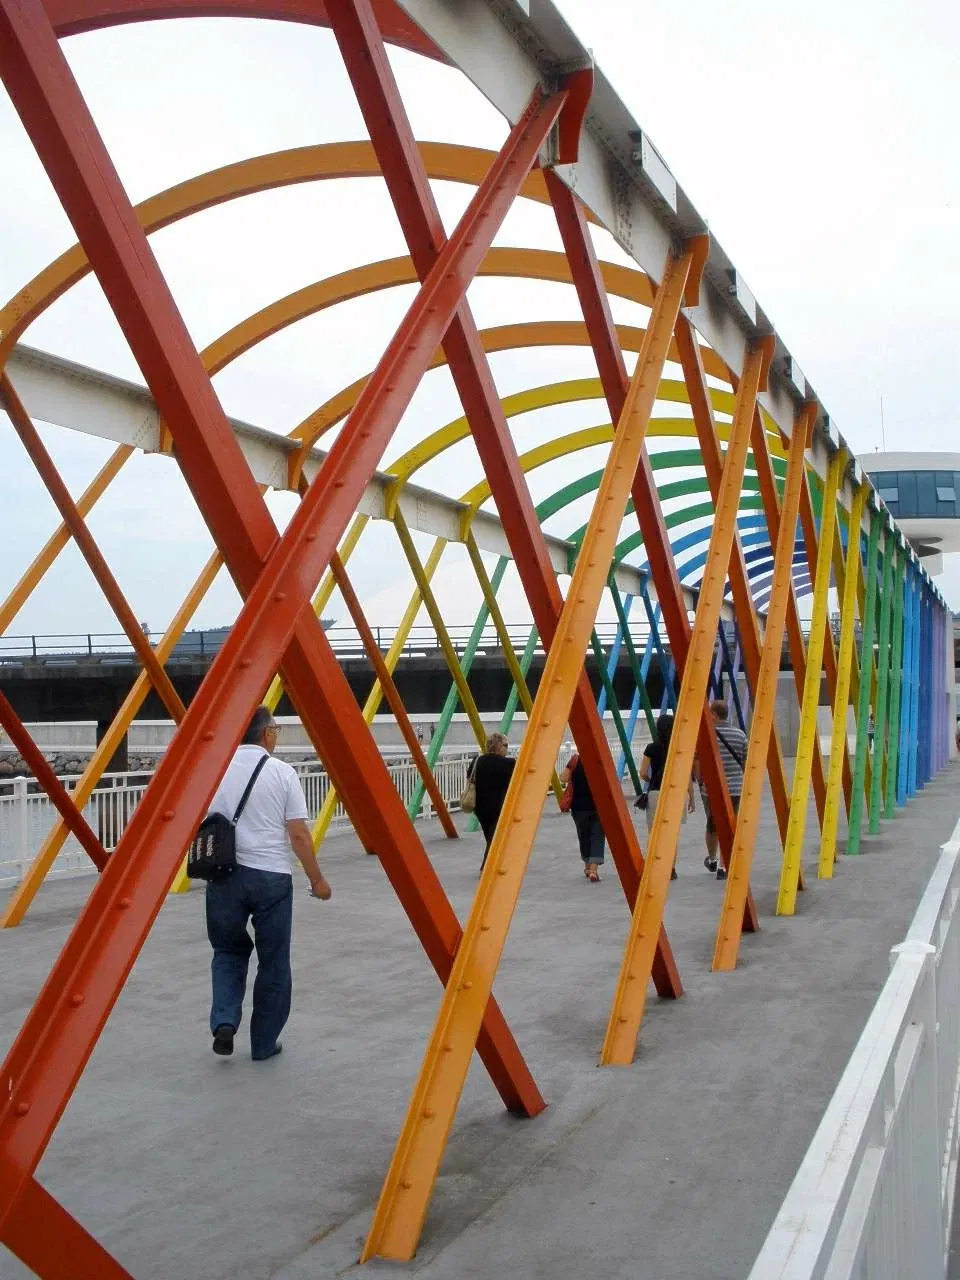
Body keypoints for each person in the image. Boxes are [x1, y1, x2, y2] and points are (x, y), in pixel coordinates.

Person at [205, 706, 332, 1061]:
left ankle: (225, 1021)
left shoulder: (214, 770)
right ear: (268, 734)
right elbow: (299, 835)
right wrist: (317, 879)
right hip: (272, 877)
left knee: (227, 950)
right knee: (274, 961)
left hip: (223, 875)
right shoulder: (282, 773)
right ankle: (263, 1044)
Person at [637, 713, 696, 878]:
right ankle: (671, 869)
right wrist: (691, 796)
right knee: (672, 834)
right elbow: (686, 774)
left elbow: (642, 773)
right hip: (675, 793)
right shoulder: (680, 748)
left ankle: (652, 867)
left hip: (655, 792)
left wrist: (652, 779)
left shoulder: (651, 747)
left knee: (653, 833)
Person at [697, 699, 747, 882]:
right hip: (735, 787)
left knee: (712, 825)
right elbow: (745, 761)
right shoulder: (740, 735)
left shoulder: (706, 735)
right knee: (731, 825)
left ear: (715, 715)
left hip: (711, 789)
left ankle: (713, 859)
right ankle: (726, 865)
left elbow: (699, 761)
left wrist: (700, 780)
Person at [472, 732, 516, 872]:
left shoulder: (477, 761)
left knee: (490, 836)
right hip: (499, 805)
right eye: (505, 745)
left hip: (479, 806)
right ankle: (486, 868)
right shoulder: (508, 763)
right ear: (498, 746)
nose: (506, 748)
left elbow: (470, 777)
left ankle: (490, 865)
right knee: (495, 838)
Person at [560, 752, 604, 882]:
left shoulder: (575, 760)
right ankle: (593, 870)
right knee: (597, 837)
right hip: (598, 805)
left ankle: (587, 866)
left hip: (579, 807)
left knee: (583, 835)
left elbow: (564, 778)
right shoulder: (600, 759)